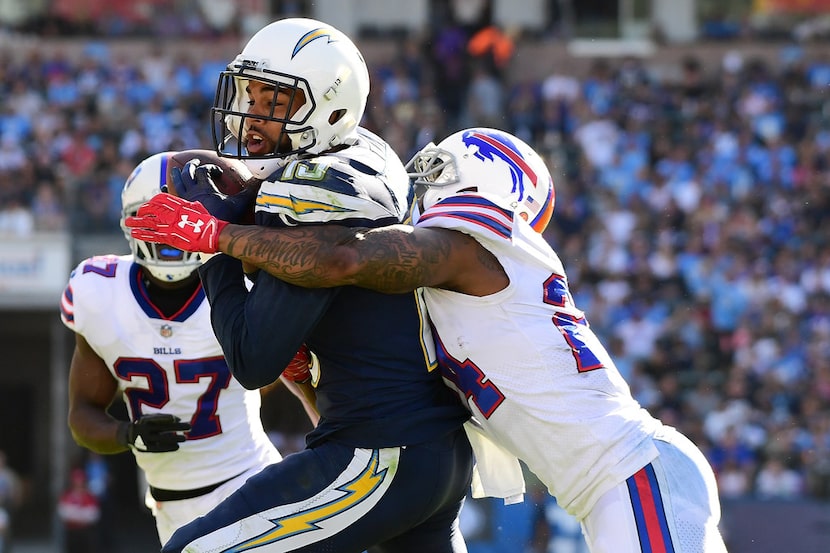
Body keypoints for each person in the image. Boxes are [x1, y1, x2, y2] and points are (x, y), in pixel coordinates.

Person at [129, 127, 729, 552]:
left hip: (632, 473)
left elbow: (341, 258)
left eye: (437, 168)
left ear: (480, 180)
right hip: (609, 486)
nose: (420, 183)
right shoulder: (445, 298)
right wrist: (306, 376)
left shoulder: (474, 243)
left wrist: (219, 234)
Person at [130, 17, 473, 553]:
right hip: (433, 450)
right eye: (250, 92)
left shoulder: (313, 197)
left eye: (274, 100)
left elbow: (252, 361)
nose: (250, 116)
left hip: (377, 453)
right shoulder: (362, 155)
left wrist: (210, 247)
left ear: (329, 108)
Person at [59, 151, 295, 546]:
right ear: (132, 223)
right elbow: (82, 416)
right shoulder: (98, 292)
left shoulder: (238, 287)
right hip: (167, 505)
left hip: (250, 482)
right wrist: (126, 433)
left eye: (181, 220)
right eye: (159, 220)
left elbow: (291, 372)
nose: (171, 235)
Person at [57, 468, 100, 553]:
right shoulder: (67, 496)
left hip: (86, 533)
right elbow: (63, 513)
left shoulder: (89, 497)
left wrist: (77, 516)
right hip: (72, 532)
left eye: (81, 483)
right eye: (76, 484)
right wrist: (81, 516)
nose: (79, 486)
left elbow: (94, 515)